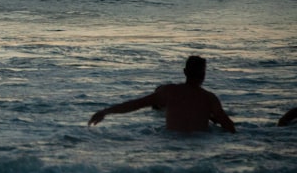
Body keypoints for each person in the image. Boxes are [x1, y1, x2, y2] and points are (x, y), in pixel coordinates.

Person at [88, 56, 236, 133]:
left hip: (171, 144)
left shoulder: (169, 92)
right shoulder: (210, 98)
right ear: (203, 75)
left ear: (184, 72)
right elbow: (231, 129)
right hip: (201, 145)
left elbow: (135, 104)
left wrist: (105, 111)